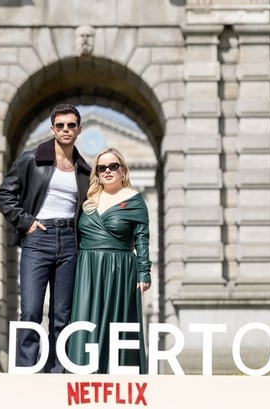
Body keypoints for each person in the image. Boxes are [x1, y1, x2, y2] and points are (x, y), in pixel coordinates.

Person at [0, 103, 91, 373]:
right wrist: (26, 222)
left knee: (63, 315)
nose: (65, 130)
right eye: (60, 125)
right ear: (52, 129)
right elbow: (4, 195)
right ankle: (27, 370)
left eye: (71, 125)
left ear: (79, 129)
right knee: (32, 312)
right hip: (39, 239)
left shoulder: (84, 169)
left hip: (70, 242)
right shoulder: (31, 159)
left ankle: (58, 371)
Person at [67, 147, 152, 374]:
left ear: (123, 171)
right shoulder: (88, 199)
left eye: (113, 166)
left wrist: (144, 272)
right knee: (85, 322)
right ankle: (82, 379)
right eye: (101, 168)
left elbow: (142, 238)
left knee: (118, 324)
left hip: (120, 269)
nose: (107, 171)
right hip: (87, 269)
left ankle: (119, 379)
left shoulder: (135, 200)